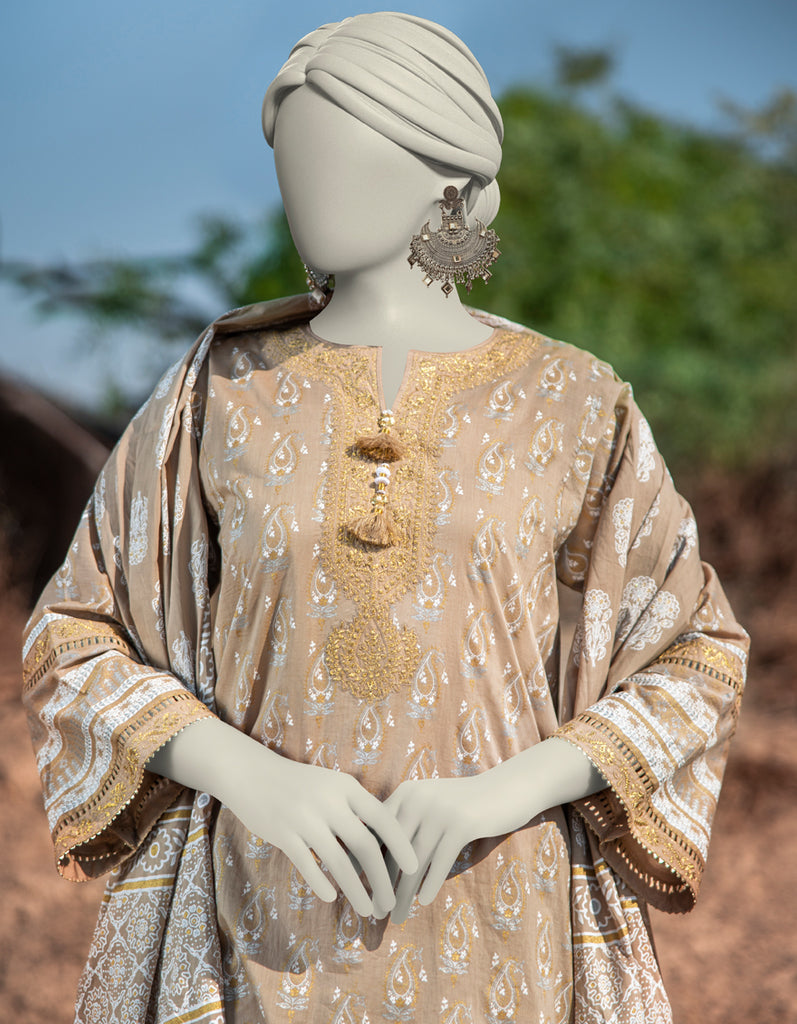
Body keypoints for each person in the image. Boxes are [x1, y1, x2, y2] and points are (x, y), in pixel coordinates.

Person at [22, 13, 748, 1024]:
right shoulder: (216, 392)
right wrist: (248, 775)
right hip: (257, 918)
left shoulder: (575, 402)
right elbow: (75, 635)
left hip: (502, 914)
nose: (307, 187)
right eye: (292, 159)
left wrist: (506, 791)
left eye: (343, 154)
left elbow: (693, 655)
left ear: (446, 176)